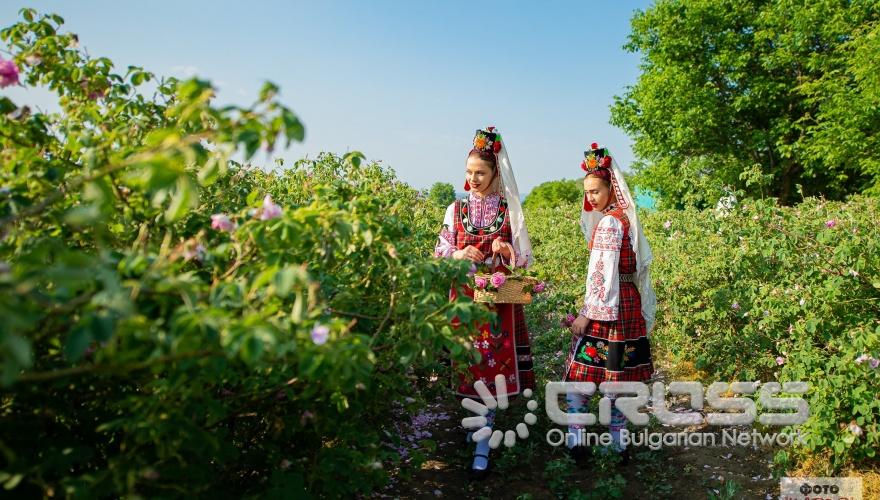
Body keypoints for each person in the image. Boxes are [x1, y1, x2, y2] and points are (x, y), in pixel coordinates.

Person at [433, 127, 535, 479]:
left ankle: (482, 442)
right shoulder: (455, 209)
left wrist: (505, 250)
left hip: (497, 303)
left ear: (495, 174)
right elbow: (440, 251)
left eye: (480, 172)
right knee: (467, 364)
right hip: (464, 300)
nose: (473, 179)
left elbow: (525, 258)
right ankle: (477, 426)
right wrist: (459, 252)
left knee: (491, 368)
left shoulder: (509, 211)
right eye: (469, 172)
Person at [563, 143, 657, 465]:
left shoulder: (609, 223)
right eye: (587, 192)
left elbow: (601, 275)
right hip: (627, 302)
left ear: (611, 189)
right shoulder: (622, 218)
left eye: (595, 191)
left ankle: (576, 439)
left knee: (582, 375)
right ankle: (619, 444)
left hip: (609, 307)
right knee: (618, 378)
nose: (590, 197)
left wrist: (586, 315)